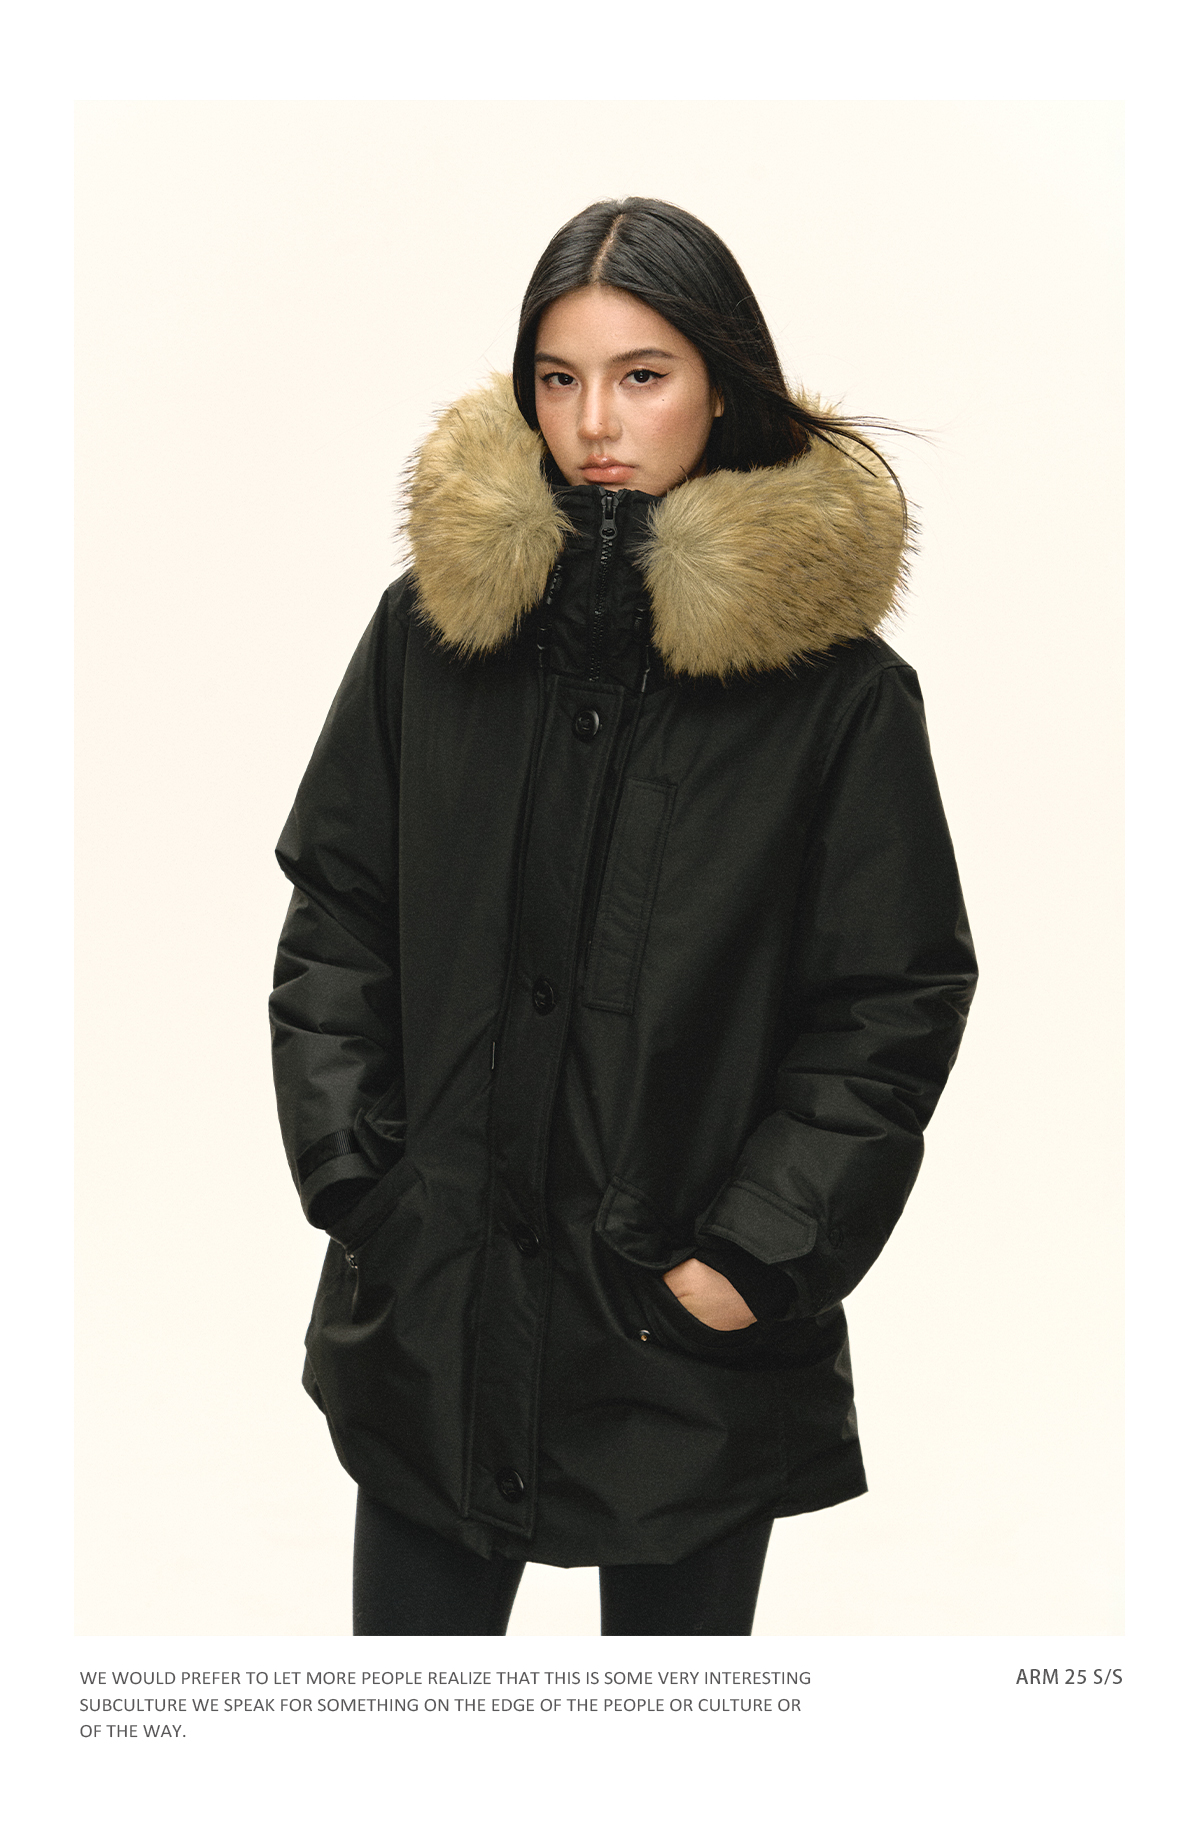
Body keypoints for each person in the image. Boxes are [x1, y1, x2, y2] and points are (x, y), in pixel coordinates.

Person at [269, 197, 977, 1637]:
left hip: (681, 1335)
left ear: (721, 384)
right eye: (559, 377)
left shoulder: (835, 699)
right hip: (440, 1316)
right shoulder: (432, 637)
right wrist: (364, 1181)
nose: (595, 421)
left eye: (642, 374)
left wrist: (751, 1257)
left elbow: (890, 1000)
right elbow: (340, 910)